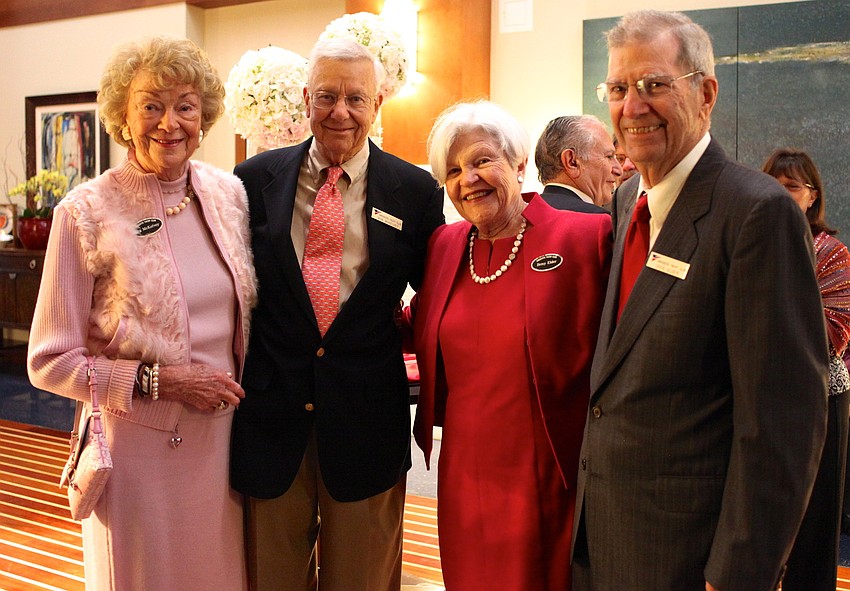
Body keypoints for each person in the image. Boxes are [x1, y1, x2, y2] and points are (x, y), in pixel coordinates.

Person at [573, 10, 828, 591]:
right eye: (618, 89)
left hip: (692, 560)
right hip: (606, 541)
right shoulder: (626, 200)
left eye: (654, 85)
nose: (632, 107)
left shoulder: (756, 213)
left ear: (706, 92)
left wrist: (738, 573)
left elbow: (783, 420)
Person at [26, 35, 257, 590]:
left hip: (224, 448)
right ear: (123, 116)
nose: (169, 122)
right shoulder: (85, 212)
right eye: (151, 104)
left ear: (204, 116)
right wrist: (163, 382)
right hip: (136, 451)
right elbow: (48, 362)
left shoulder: (230, 197)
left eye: (185, 105)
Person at [230, 38, 445, 591]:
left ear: (378, 104)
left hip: (367, 422)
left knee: (365, 580)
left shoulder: (415, 191)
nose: (340, 112)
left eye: (356, 98)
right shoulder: (253, 181)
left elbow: (439, 295)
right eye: (327, 96)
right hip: (272, 420)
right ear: (306, 99)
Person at [411, 100, 612, 590]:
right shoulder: (445, 244)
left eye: (482, 160)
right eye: (454, 171)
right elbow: (418, 323)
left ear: (519, 165)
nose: (469, 179)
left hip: (548, 465)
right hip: (463, 464)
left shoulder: (586, 236)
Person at [762, 147, 850, 591]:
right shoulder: (749, 242)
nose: (780, 194)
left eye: (791, 187)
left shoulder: (831, 252)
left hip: (819, 401)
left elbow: (833, 330)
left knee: (814, 524)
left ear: (812, 197)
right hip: (758, 400)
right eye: (772, 185)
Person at [534, 114, 620, 212]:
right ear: (572, 162)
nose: (619, 170)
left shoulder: (524, 218)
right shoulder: (597, 221)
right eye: (609, 156)